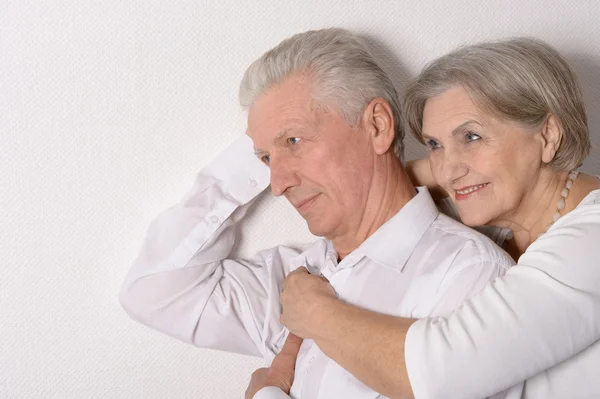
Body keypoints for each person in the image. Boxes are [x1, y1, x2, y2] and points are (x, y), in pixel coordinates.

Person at [118, 28, 517, 398]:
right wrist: (261, 143)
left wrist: (267, 394)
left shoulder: (471, 277)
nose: (276, 184)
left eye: (294, 140)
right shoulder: (293, 279)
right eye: (265, 159)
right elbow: (153, 290)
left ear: (377, 126)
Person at [269, 37, 600, 398]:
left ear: (548, 134)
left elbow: (439, 373)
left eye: (471, 136)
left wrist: (313, 313)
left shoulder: (591, 242)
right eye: (435, 145)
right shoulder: (511, 230)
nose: (448, 170)